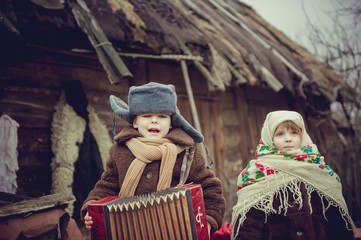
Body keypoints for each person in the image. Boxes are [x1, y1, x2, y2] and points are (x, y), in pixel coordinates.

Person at [81, 82, 225, 237]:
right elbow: (107, 185)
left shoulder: (187, 153)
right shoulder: (120, 151)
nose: (154, 121)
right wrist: (92, 207)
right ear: (135, 121)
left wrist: (208, 221)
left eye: (162, 116)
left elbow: (211, 189)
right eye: (147, 116)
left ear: (171, 123)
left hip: (176, 233)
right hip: (130, 231)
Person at [231, 110, 355, 239]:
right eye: (280, 134)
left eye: (294, 133)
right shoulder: (257, 173)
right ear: (269, 138)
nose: (288, 139)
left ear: (302, 136)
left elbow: (337, 222)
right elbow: (250, 225)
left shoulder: (318, 169)